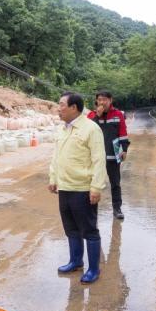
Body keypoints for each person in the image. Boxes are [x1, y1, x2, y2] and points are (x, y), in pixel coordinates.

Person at [48, 92, 107, 284]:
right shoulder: (62, 129)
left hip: (83, 188)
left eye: (61, 104)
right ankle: (75, 261)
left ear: (74, 108)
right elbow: (56, 156)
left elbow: (99, 160)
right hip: (64, 187)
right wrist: (53, 177)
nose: (58, 108)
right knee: (71, 229)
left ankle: (94, 269)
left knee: (89, 230)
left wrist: (96, 187)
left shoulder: (91, 129)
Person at [87, 90, 130, 219]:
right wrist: (96, 117)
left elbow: (123, 132)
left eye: (104, 99)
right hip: (94, 155)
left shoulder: (118, 114)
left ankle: (117, 209)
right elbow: (87, 131)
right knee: (91, 182)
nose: (102, 102)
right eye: (99, 99)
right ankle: (90, 209)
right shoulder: (91, 115)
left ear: (110, 100)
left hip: (113, 153)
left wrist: (124, 149)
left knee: (115, 183)